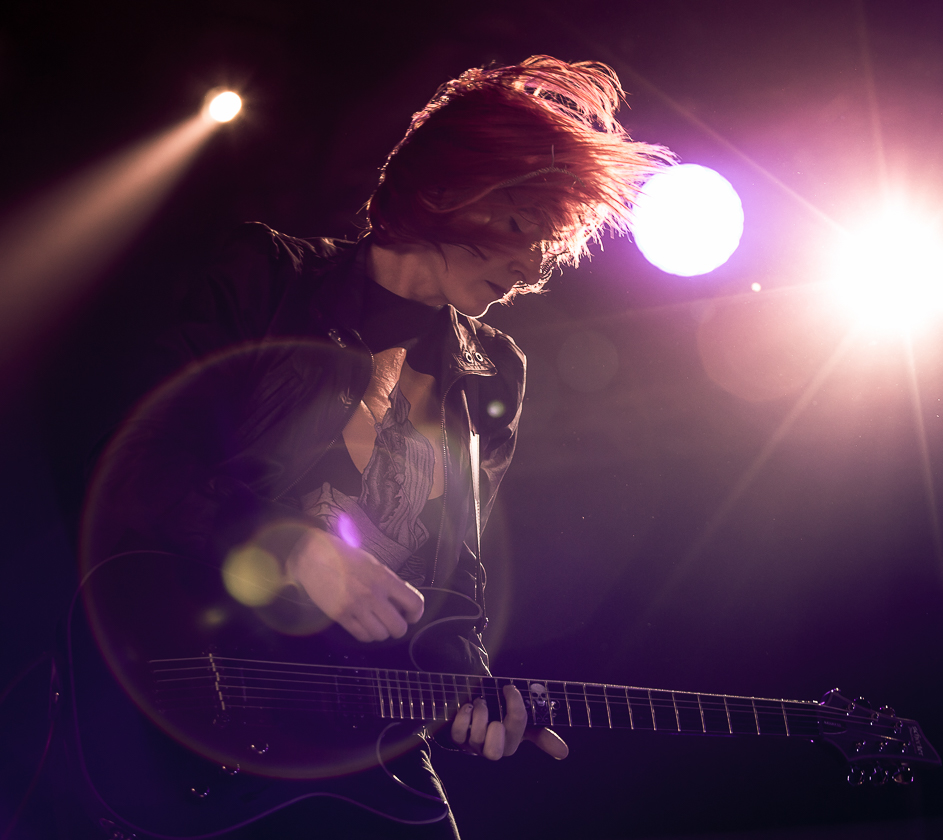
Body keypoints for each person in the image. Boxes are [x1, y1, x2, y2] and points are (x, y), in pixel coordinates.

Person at [81, 55, 673, 837]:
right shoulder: (270, 276)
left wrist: (472, 692)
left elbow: (453, 587)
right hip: (192, 691)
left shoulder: (493, 370)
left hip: (360, 729)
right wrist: (289, 546)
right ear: (442, 191)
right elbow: (133, 462)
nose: (533, 266)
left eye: (549, 242)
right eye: (520, 225)